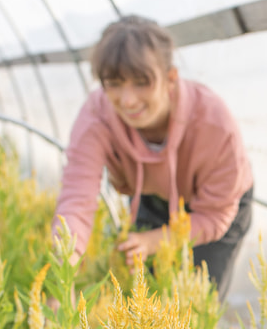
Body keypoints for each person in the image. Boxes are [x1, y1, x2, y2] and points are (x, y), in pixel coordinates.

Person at [53, 15, 254, 300]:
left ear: (170, 78)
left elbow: (216, 214)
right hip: (153, 196)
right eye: (114, 84)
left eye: (141, 83)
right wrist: (63, 274)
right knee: (143, 301)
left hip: (218, 206)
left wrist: (154, 240)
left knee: (195, 306)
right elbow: (77, 198)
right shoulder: (96, 116)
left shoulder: (214, 123)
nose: (128, 100)